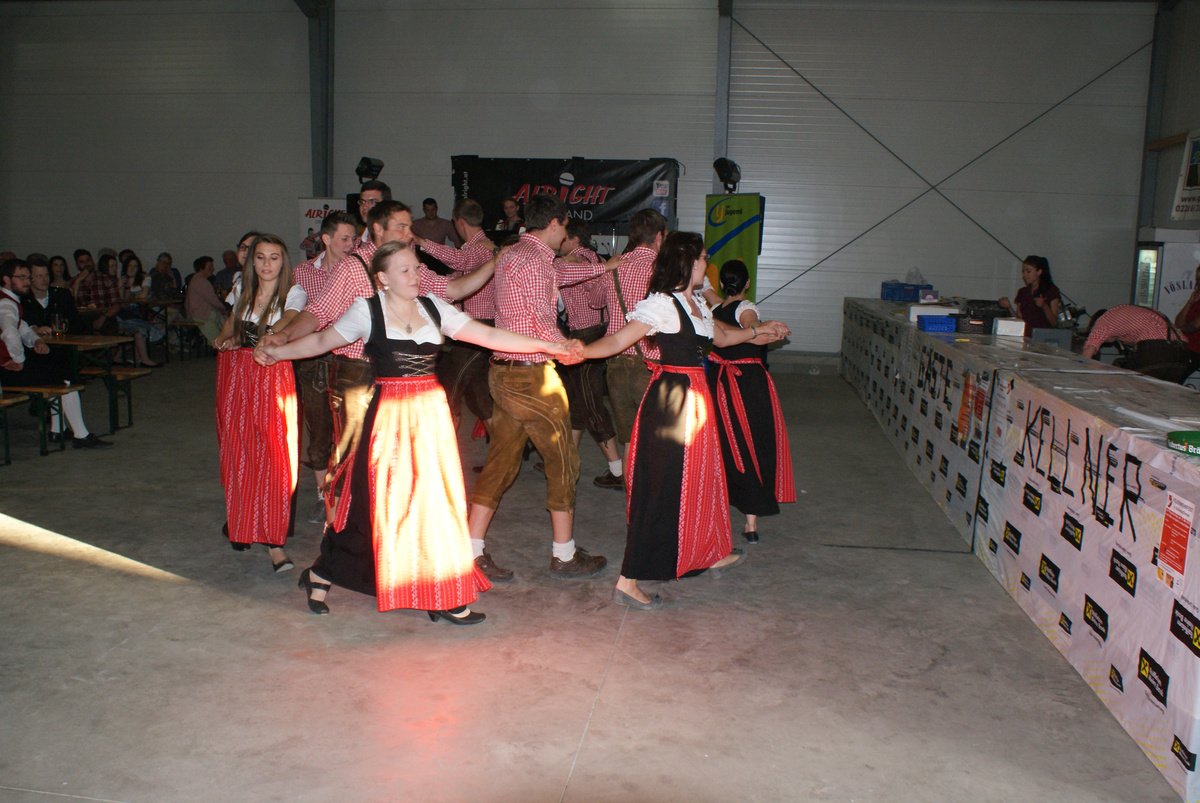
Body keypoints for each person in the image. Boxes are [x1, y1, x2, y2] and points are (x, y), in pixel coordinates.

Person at [257, 240, 580, 623]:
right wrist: (277, 351)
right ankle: (323, 572)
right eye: (406, 270)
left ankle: (443, 592)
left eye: (416, 268)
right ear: (383, 278)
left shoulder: (433, 307)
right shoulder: (366, 310)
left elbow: (490, 336)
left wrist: (549, 345)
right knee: (373, 508)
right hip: (388, 419)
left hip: (430, 418)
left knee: (436, 504)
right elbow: (321, 341)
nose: (416, 276)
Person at [579, 233, 787, 609]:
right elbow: (617, 342)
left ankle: (707, 551)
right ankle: (628, 580)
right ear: (688, 262)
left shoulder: (698, 303)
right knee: (661, 488)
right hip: (672, 404)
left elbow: (722, 339)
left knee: (704, 479)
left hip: (697, 401)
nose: (707, 264)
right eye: (703, 258)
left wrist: (762, 331)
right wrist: (578, 351)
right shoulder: (662, 304)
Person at [467, 194, 613, 582]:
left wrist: (604, 267)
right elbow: (537, 318)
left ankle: (471, 549)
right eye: (564, 227)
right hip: (531, 376)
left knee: (501, 461)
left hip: (504, 371)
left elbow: (559, 277)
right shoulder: (536, 261)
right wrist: (567, 345)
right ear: (553, 223)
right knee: (563, 459)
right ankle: (564, 554)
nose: (565, 235)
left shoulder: (515, 254)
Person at [212, 234, 305, 573]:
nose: (267, 264)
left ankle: (274, 543)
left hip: (271, 371)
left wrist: (270, 333)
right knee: (237, 448)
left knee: (275, 454)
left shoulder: (293, 291)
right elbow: (230, 326)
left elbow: (289, 319)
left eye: (274, 257)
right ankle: (242, 524)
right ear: (252, 261)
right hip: (236, 372)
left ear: (284, 261)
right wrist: (223, 340)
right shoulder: (242, 288)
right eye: (261, 257)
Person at [707, 259, 795, 543]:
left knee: (726, 443)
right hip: (745, 384)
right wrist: (764, 330)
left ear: (723, 283)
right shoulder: (746, 308)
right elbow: (752, 326)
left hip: (720, 383)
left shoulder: (714, 311)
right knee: (751, 442)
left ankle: (728, 505)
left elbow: (717, 307)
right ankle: (751, 523)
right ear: (747, 283)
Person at [0, 258, 112, 448]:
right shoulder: (6, 303)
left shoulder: (11, 301)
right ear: (6, 279)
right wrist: (18, 359)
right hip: (7, 370)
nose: (27, 281)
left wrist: (36, 341)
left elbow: (23, 328)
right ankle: (80, 435)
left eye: (28, 277)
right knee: (65, 376)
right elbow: (10, 333)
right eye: (22, 277)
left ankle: (58, 431)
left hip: (7, 367)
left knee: (56, 370)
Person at [291, 210, 357, 514]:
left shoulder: (357, 270)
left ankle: (344, 493)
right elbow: (295, 313)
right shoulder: (303, 272)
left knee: (349, 430)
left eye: (353, 239)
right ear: (327, 239)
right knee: (318, 429)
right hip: (313, 359)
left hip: (350, 358)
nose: (350, 244)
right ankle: (323, 495)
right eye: (344, 239)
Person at [415, 198, 497, 429]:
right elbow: (457, 277)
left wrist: (422, 242)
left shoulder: (480, 248)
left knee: (448, 387)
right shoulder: (480, 248)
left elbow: (460, 260)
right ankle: (505, 449)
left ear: (459, 222)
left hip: (478, 328)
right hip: (475, 328)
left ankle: (444, 445)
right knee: (479, 398)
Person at [554, 219, 623, 489]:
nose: (559, 242)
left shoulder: (578, 261)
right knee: (577, 401)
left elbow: (560, 269)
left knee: (591, 403)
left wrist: (559, 261)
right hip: (594, 332)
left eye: (563, 238)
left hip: (587, 335)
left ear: (574, 239)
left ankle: (617, 471)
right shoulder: (596, 258)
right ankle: (567, 460)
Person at [604, 209, 668, 469]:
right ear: (659, 236)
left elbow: (594, 303)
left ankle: (631, 492)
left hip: (616, 363)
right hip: (651, 365)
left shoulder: (614, 266)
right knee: (656, 440)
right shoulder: (663, 269)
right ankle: (652, 491)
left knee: (629, 441)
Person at [998, 255, 1062, 336]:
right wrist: (1009, 307)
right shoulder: (1022, 292)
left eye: (1028, 272)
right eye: (1023, 272)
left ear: (1039, 272)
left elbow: (1054, 322)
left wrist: (1044, 306)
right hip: (1025, 336)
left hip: (1042, 337)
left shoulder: (1051, 291)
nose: (1025, 275)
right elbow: (1020, 320)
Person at [22, 256, 79, 335]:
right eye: (39, 276)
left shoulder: (62, 295)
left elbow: (75, 322)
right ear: (30, 278)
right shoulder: (23, 299)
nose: (44, 279)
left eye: (46, 275)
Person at [185, 255, 226, 343]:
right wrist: (223, 309)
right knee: (219, 341)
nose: (213, 269)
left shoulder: (196, 279)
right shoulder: (201, 281)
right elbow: (212, 300)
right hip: (203, 316)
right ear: (201, 268)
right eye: (210, 267)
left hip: (200, 314)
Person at [1174, 264, 1200, 355]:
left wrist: (1177, 330)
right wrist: (1190, 302)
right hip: (1187, 348)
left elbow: (1195, 326)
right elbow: (1178, 322)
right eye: (1198, 279)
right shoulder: (1196, 298)